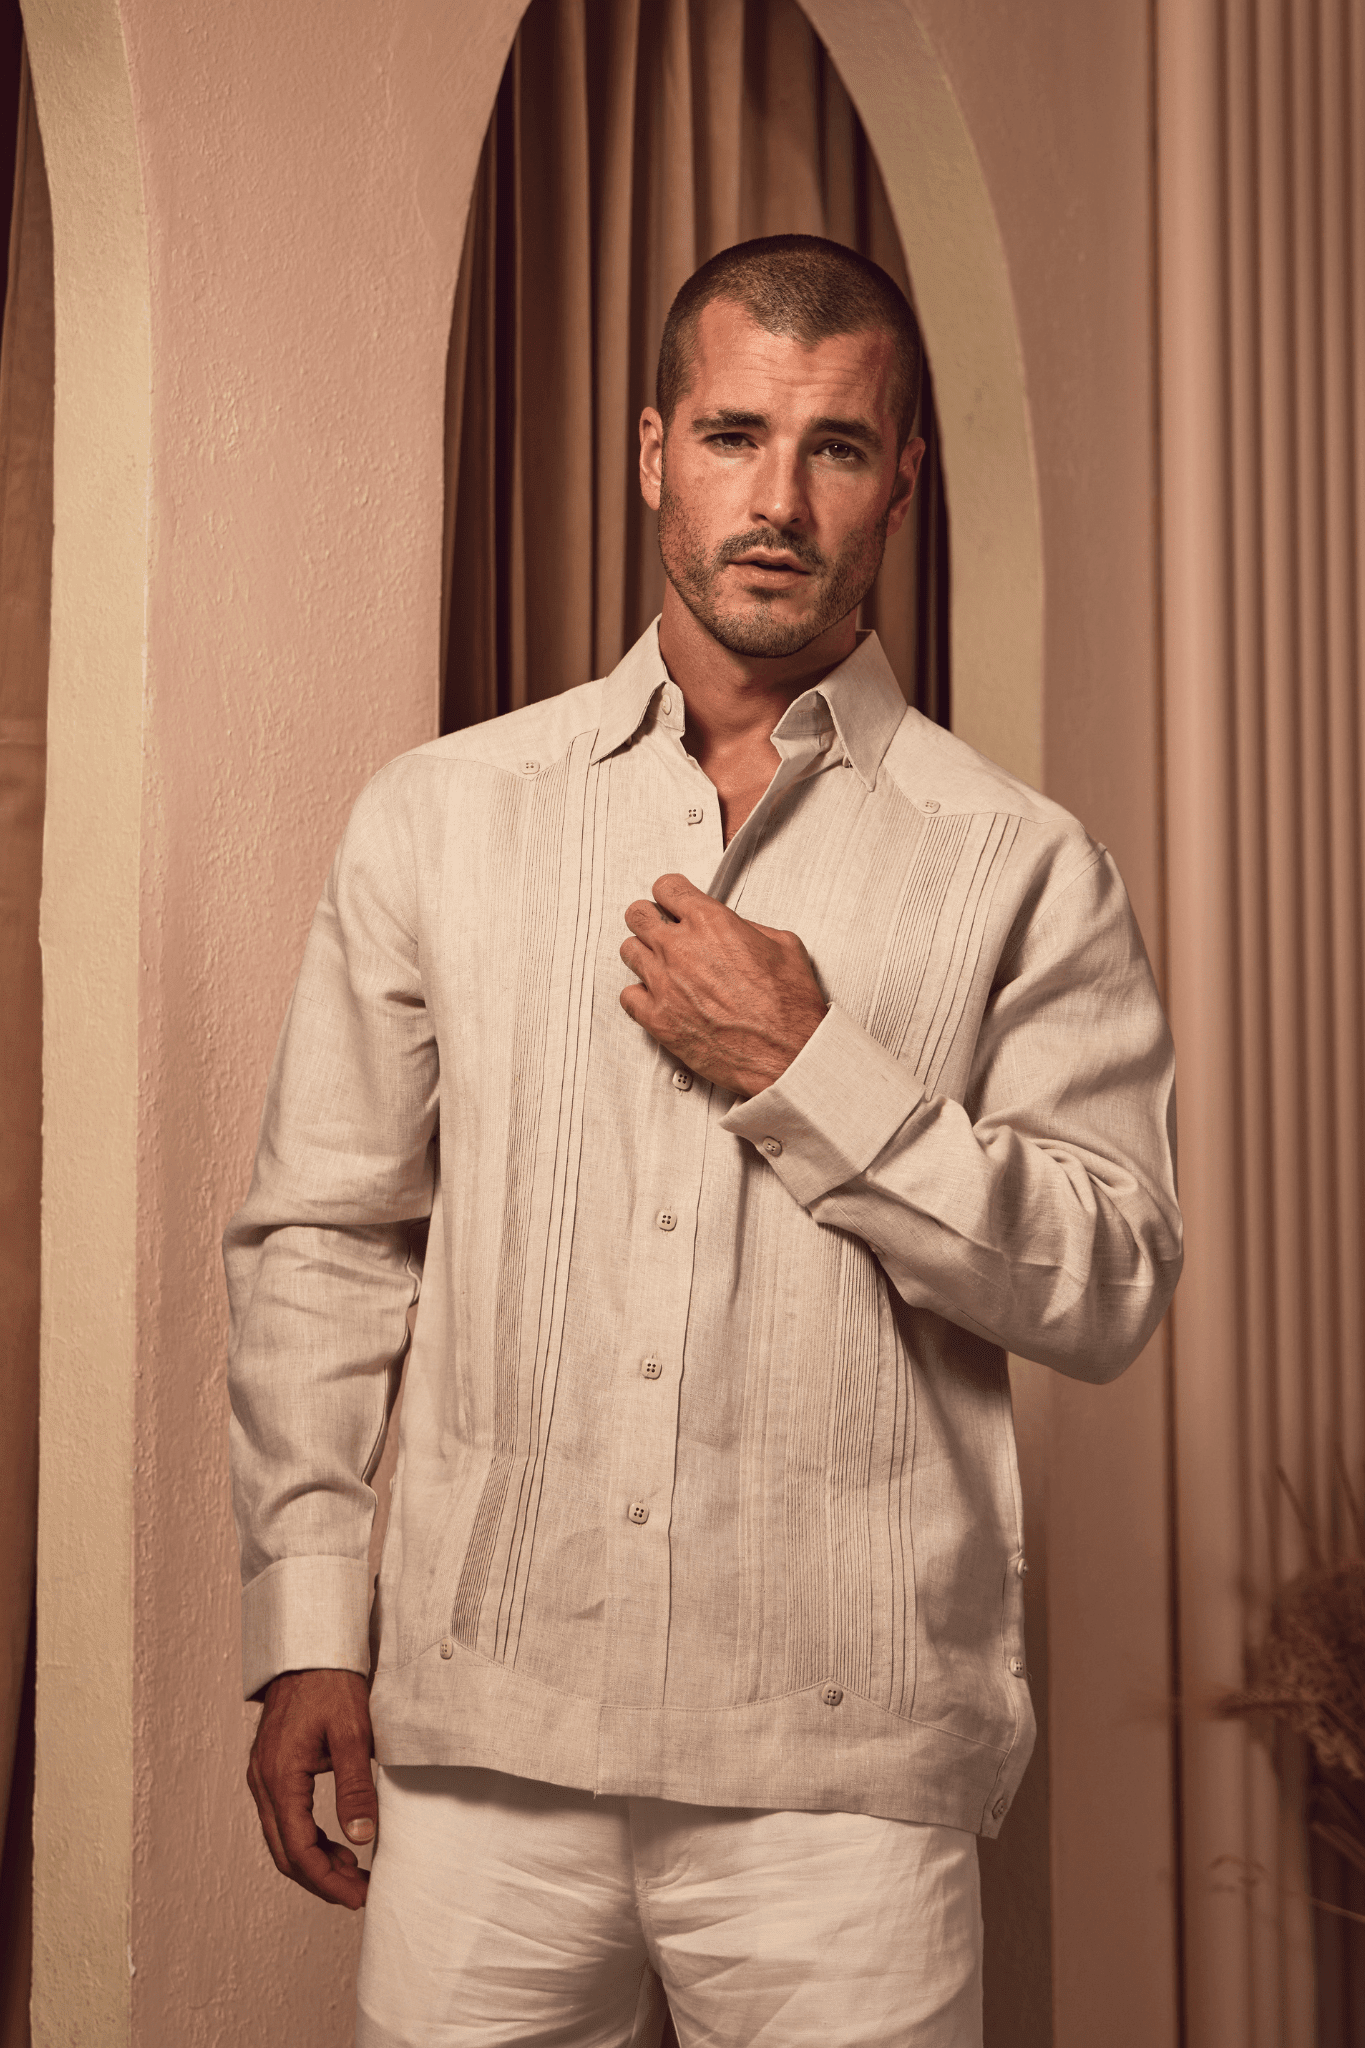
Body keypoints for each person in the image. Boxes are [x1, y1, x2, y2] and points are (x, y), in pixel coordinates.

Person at [226, 234, 1182, 2047]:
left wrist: (815, 1067)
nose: (780, 501)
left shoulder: (1025, 864)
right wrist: (308, 1622)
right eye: (736, 435)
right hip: (487, 1740)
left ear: (903, 479)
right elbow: (328, 1239)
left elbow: (1111, 1278)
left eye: (837, 448)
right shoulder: (442, 816)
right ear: (654, 450)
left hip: (843, 1780)